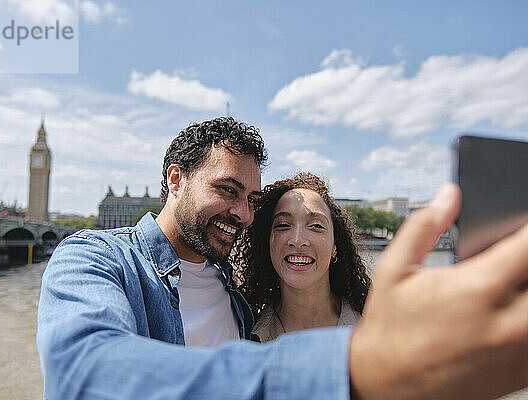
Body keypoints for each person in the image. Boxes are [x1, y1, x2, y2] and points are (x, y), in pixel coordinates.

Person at [37, 116, 528, 400]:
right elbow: (82, 374)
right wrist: (360, 368)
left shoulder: (238, 296)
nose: (240, 213)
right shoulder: (95, 258)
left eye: (251, 201)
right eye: (227, 190)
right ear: (175, 179)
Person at [235, 172, 371, 342]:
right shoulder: (241, 333)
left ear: (335, 246)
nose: (298, 241)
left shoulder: (376, 328)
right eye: (283, 225)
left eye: (315, 226)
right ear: (267, 243)